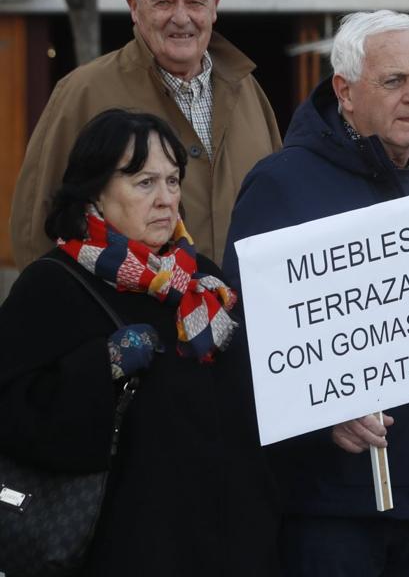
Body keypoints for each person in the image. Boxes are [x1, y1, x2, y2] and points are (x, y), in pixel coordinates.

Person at [222, 10, 409, 577]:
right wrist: (319, 413)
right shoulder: (281, 185)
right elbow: (241, 339)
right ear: (345, 92)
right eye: (394, 81)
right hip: (333, 502)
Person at [0, 109, 277, 576]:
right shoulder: (52, 285)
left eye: (173, 181)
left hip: (229, 545)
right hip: (121, 548)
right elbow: (13, 413)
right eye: (145, 183)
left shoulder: (202, 280)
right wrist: (101, 365)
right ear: (95, 191)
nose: (167, 200)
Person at [11, 0, 282, 268]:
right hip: (127, 315)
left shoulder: (248, 91)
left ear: (214, 7)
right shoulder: (81, 93)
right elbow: (35, 224)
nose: (181, 18)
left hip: (239, 312)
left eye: (195, 1)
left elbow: (279, 204)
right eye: (164, 2)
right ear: (134, 8)